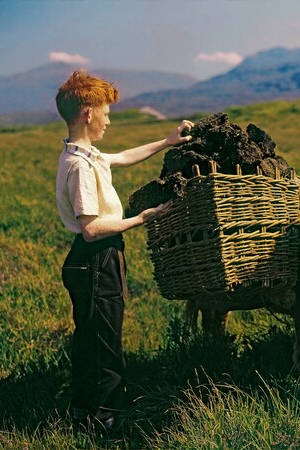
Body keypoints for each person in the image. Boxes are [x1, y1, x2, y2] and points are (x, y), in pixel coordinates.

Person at [55, 69, 193, 431]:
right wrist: (141, 218)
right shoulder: (79, 167)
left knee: (91, 340)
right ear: (88, 114)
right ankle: (108, 421)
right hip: (96, 258)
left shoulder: (87, 155)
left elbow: (125, 157)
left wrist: (166, 142)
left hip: (91, 261)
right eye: (105, 112)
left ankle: (83, 412)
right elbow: (91, 229)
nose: (109, 119)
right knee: (105, 345)